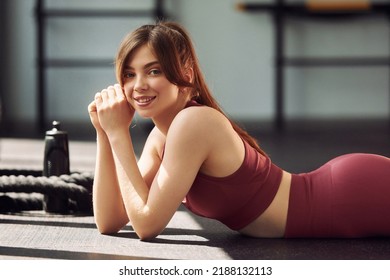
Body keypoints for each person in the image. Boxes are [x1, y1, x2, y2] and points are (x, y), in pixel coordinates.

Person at [88, 21, 390, 240]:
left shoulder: (194, 122)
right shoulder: (161, 136)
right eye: (129, 74)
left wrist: (119, 134)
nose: (138, 85)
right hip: (340, 200)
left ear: (186, 75)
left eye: (153, 70)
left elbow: (146, 225)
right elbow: (110, 220)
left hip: (350, 195)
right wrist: (104, 131)